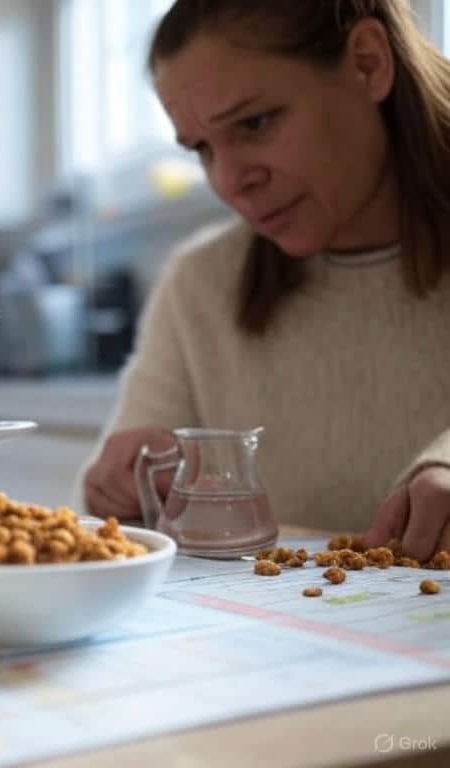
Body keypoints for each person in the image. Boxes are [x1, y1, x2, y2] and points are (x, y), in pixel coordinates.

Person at [77, 0, 450, 563]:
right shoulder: (201, 284)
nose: (229, 182)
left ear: (369, 64)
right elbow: (123, 512)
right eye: (202, 148)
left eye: (256, 123)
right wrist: (118, 492)